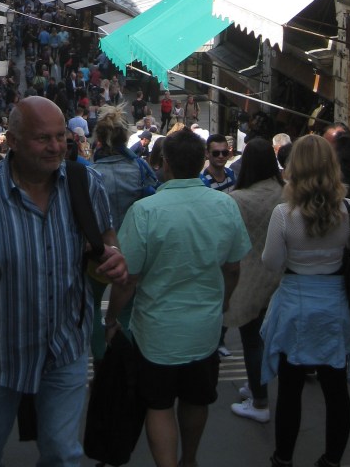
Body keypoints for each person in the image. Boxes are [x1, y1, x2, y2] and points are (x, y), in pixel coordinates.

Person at [0, 95, 127, 467]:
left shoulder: (84, 182)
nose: (56, 147)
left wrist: (113, 259)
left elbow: (106, 240)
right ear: (13, 140)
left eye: (61, 137)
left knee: (62, 453)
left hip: (64, 349)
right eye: (44, 138)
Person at [105, 130, 250, 467]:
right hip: (204, 327)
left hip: (156, 330)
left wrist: (111, 319)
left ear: (164, 163)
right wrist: (224, 303)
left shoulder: (144, 212)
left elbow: (127, 279)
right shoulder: (224, 205)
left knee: (159, 404)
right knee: (196, 398)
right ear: (202, 160)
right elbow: (233, 268)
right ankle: (190, 459)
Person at [261, 134, 350, 467]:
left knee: (290, 390)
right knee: (335, 389)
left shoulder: (284, 214)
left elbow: (272, 262)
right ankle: (332, 459)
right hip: (333, 303)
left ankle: (283, 457)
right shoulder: (347, 207)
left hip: (294, 302)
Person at [89, 106, 159, 358]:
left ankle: (100, 365)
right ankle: (127, 366)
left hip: (98, 254)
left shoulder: (90, 174)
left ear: (99, 139)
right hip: (132, 252)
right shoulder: (140, 168)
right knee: (127, 312)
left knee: (92, 311)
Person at [224, 139, 285, 424]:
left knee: (252, 341)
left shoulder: (237, 199)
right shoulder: (286, 195)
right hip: (281, 276)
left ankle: (259, 400)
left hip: (247, 277)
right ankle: (258, 383)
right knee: (271, 338)